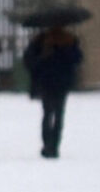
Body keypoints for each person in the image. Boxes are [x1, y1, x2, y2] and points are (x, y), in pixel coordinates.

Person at [23, 26, 83, 159]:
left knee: (49, 113)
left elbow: (29, 60)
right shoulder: (68, 40)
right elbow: (78, 59)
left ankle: (48, 145)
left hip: (49, 81)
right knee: (57, 114)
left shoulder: (41, 40)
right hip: (58, 82)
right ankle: (53, 146)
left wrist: (42, 59)